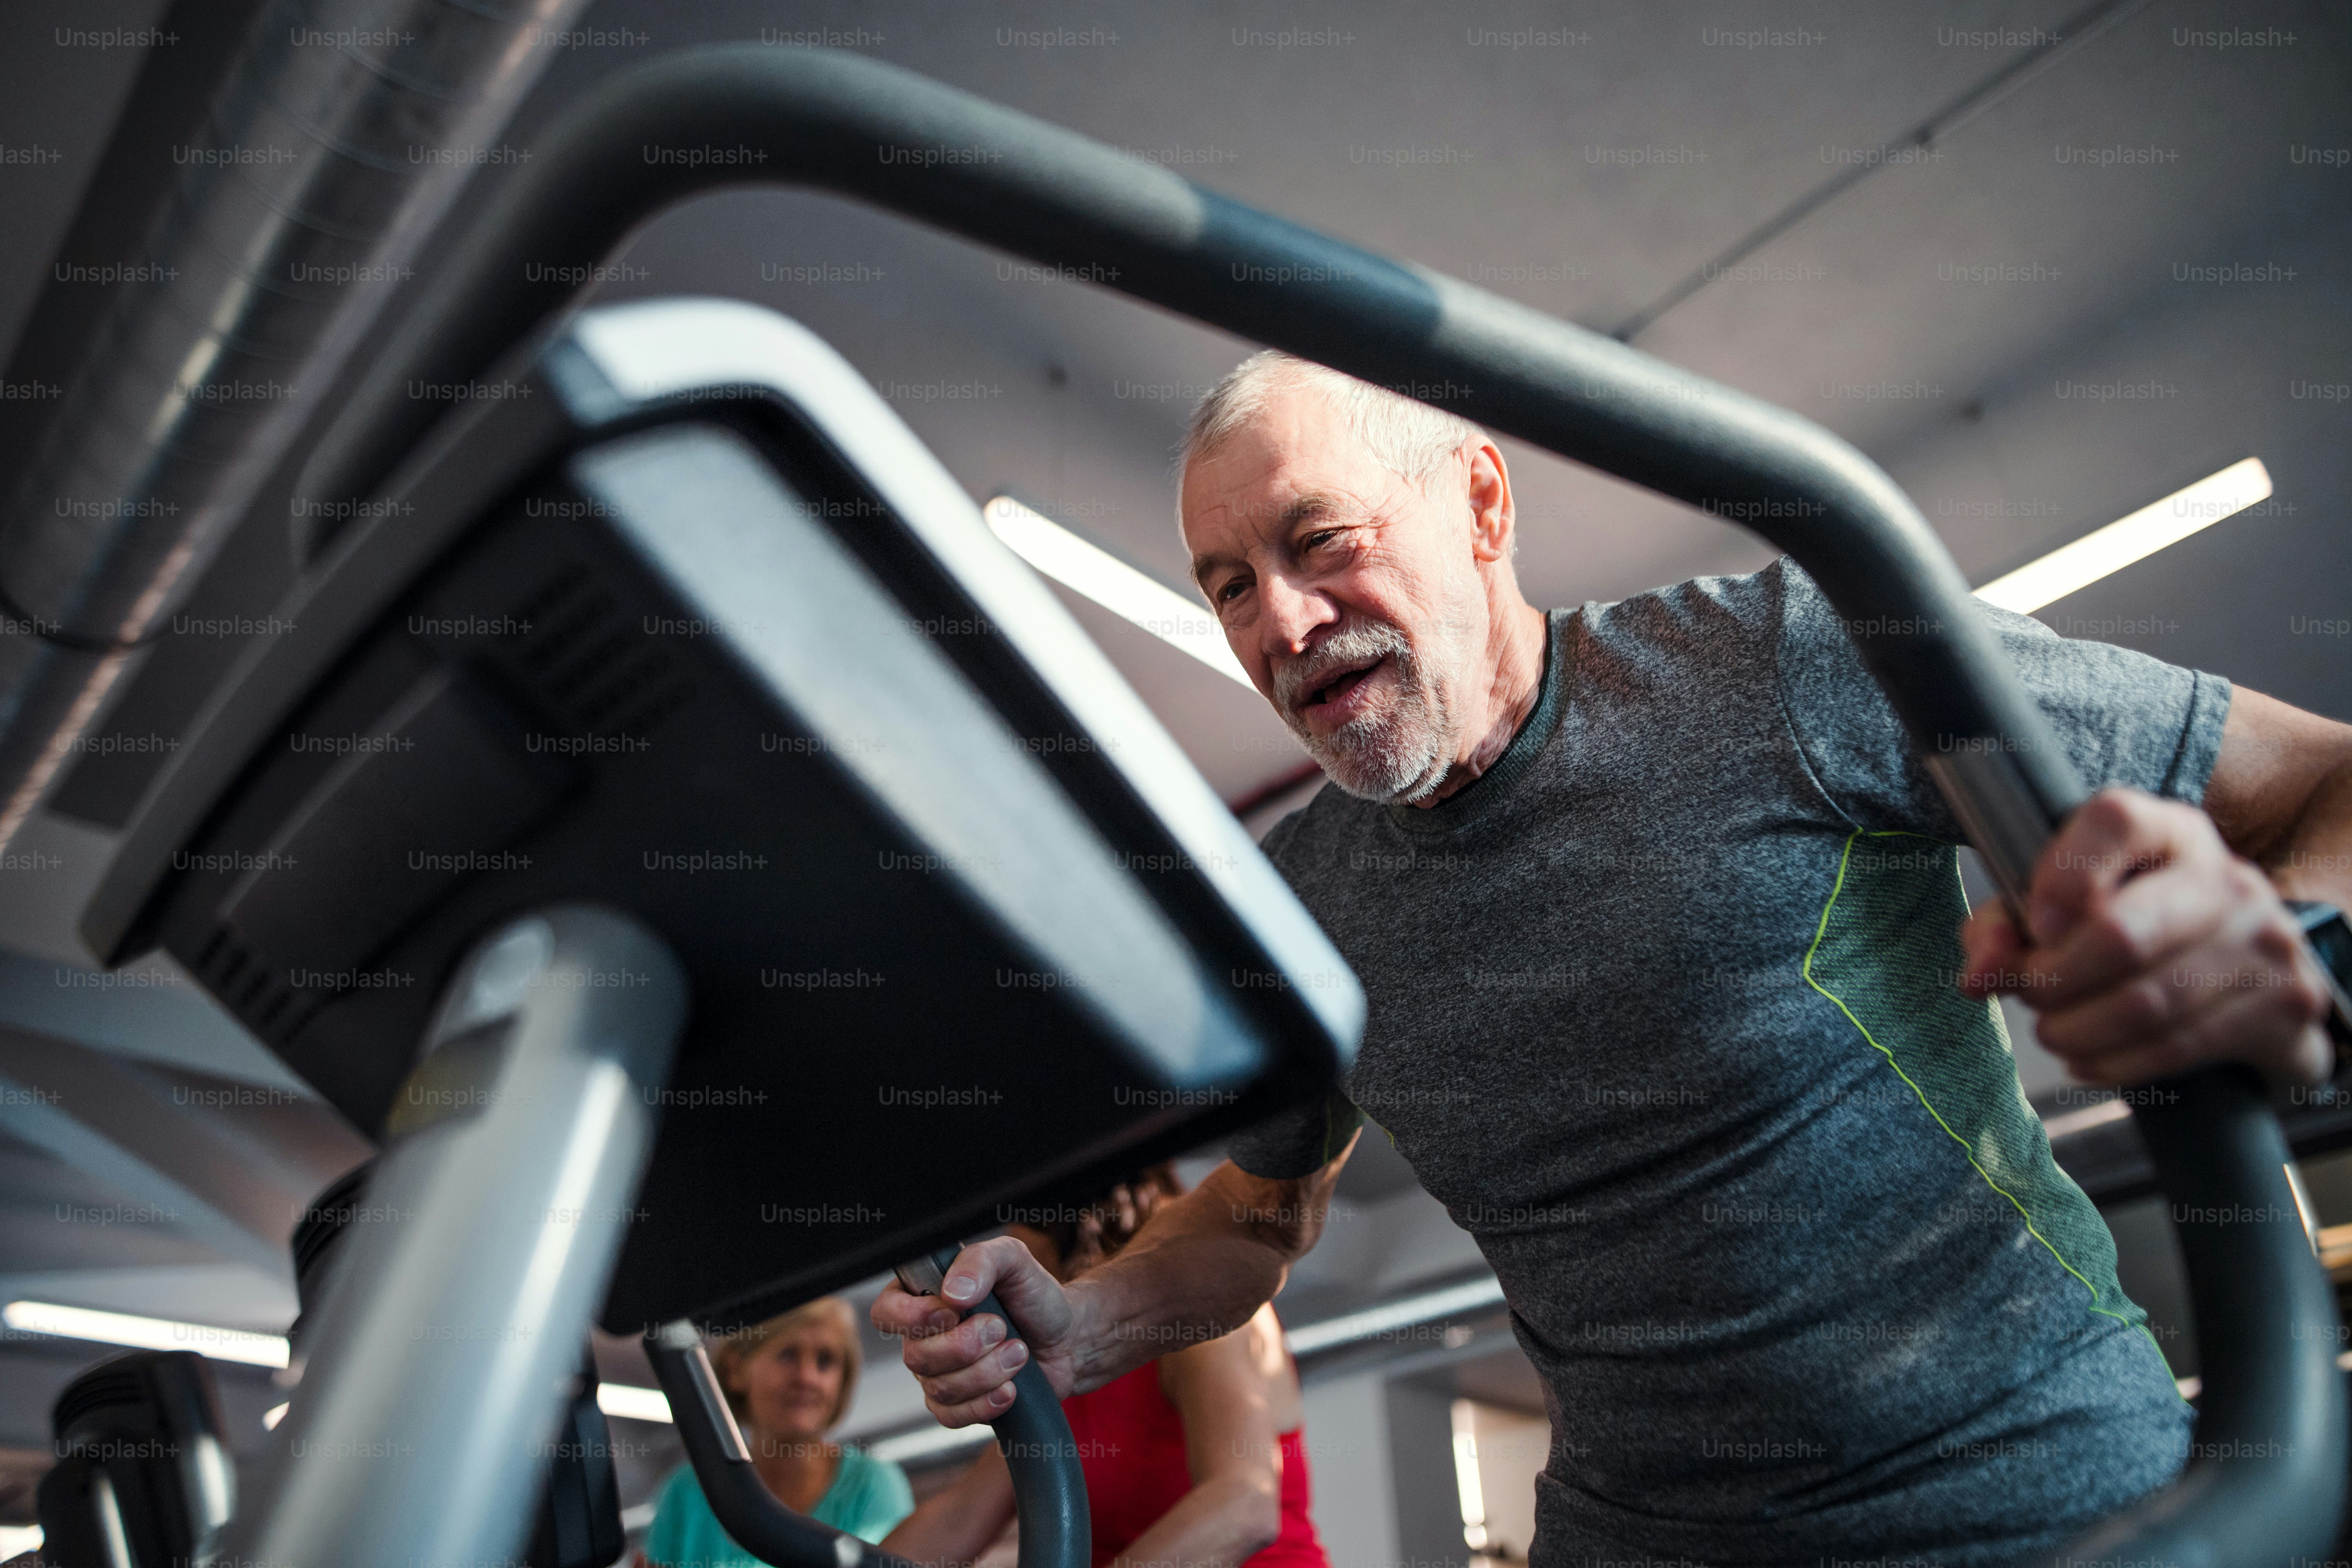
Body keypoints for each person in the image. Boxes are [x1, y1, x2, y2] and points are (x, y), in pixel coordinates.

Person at [877, 351, 2352, 1567]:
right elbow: (1261, 1218)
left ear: (1476, 501)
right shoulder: (1293, 907)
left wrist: (2271, 938)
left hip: (2021, 1491)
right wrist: (1090, 1319)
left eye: (1315, 542)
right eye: (1226, 587)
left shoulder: (1783, 658)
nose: (1280, 621)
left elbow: (2318, 786)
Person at [1008, 1167, 1329, 1568]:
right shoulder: (1063, 1372)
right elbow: (958, 1515)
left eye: (1012, 1227)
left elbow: (1245, 1506)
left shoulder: (1205, 1310)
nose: (1006, 1240)